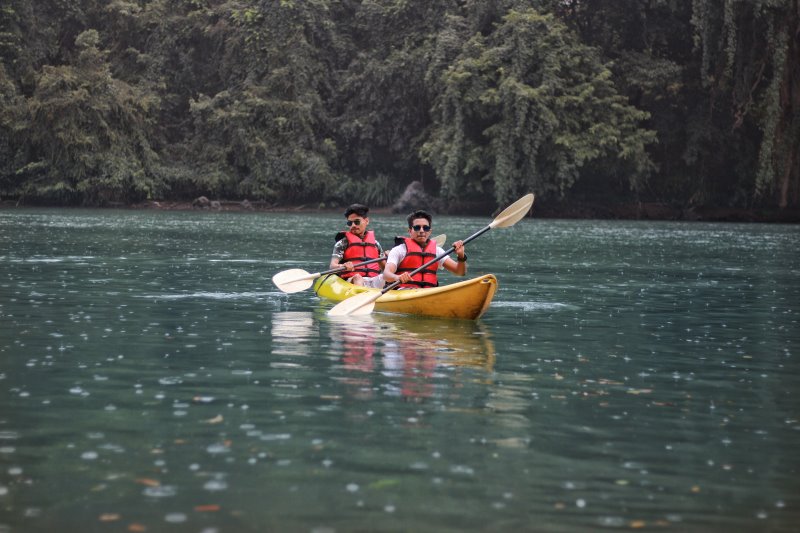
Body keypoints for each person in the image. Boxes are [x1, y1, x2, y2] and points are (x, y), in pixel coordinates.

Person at [383, 210, 466, 288]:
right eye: (417, 228)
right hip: (403, 292)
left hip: (429, 292)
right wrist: (397, 277)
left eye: (425, 228)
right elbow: (386, 275)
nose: (421, 231)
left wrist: (461, 256)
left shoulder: (437, 251)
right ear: (410, 231)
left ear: (429, 231)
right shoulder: (399, 250)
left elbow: (460, 272)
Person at [330, 203, 386, 288]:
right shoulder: (342, 243)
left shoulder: (375, 244)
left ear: (366, 221)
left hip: (373, 280)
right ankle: (361, 296)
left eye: (357, 222)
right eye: (350, 223)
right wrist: (342, 266)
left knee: (388, 277)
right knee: (357, 277)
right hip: (352, 281)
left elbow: (385, 268)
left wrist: (390, 258)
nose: (353, 225)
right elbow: (332, 266)